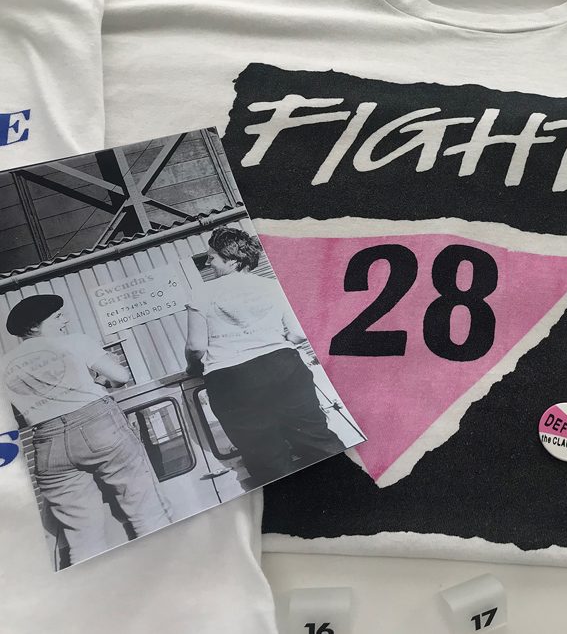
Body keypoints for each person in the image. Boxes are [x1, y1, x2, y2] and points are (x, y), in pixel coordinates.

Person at [0, 294, 172, 566]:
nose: (65, 320)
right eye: (57, 318)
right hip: (99, 427)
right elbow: (121, 376)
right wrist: (97, 381)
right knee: (145, 511)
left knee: (82, 538)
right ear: (35, 326)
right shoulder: (74, 342)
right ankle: (171, 571)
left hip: (46, 443)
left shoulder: (3, 366)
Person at [185, 226, 345, 485]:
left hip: (231, 379)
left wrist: (193, 367)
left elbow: (195, 347)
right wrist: (277, 348)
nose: (208, 262)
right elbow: (299, 334)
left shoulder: (201, 293)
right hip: (283, 365)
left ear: (232, 260)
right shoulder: (272, 286)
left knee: (265, 456)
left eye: (211, 257)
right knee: (316, 437)